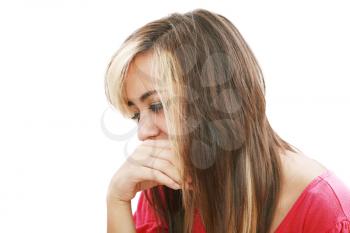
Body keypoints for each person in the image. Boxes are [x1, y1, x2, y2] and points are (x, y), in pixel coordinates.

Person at [104, 8, 350, 233]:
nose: (143, 133)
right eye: (136, 114)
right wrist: (117, 200)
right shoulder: (164, 185)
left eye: (157, 105)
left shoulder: (323, 208)